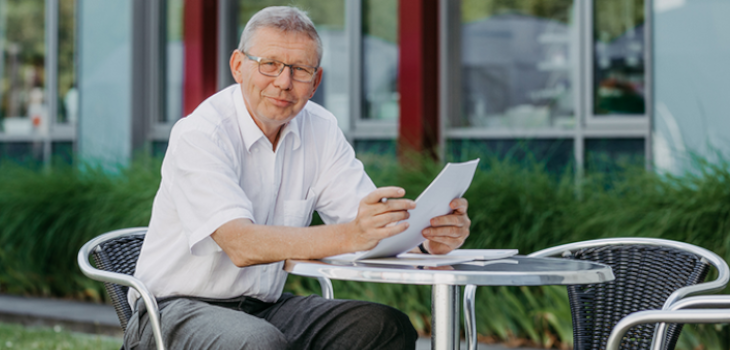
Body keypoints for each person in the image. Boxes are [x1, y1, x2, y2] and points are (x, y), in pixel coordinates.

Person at [125, 6, 471, 350]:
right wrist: (352, 235)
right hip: (172, 311)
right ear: (238, 66)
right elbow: (240, 244)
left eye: (300, 70)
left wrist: (426, 240)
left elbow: (366, 227)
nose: (284, 82)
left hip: (265, 308)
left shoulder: (321, 130)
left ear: (316, 81)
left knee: (385, 327)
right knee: (257, 343)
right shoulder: (201, 133)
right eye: (269, 64)